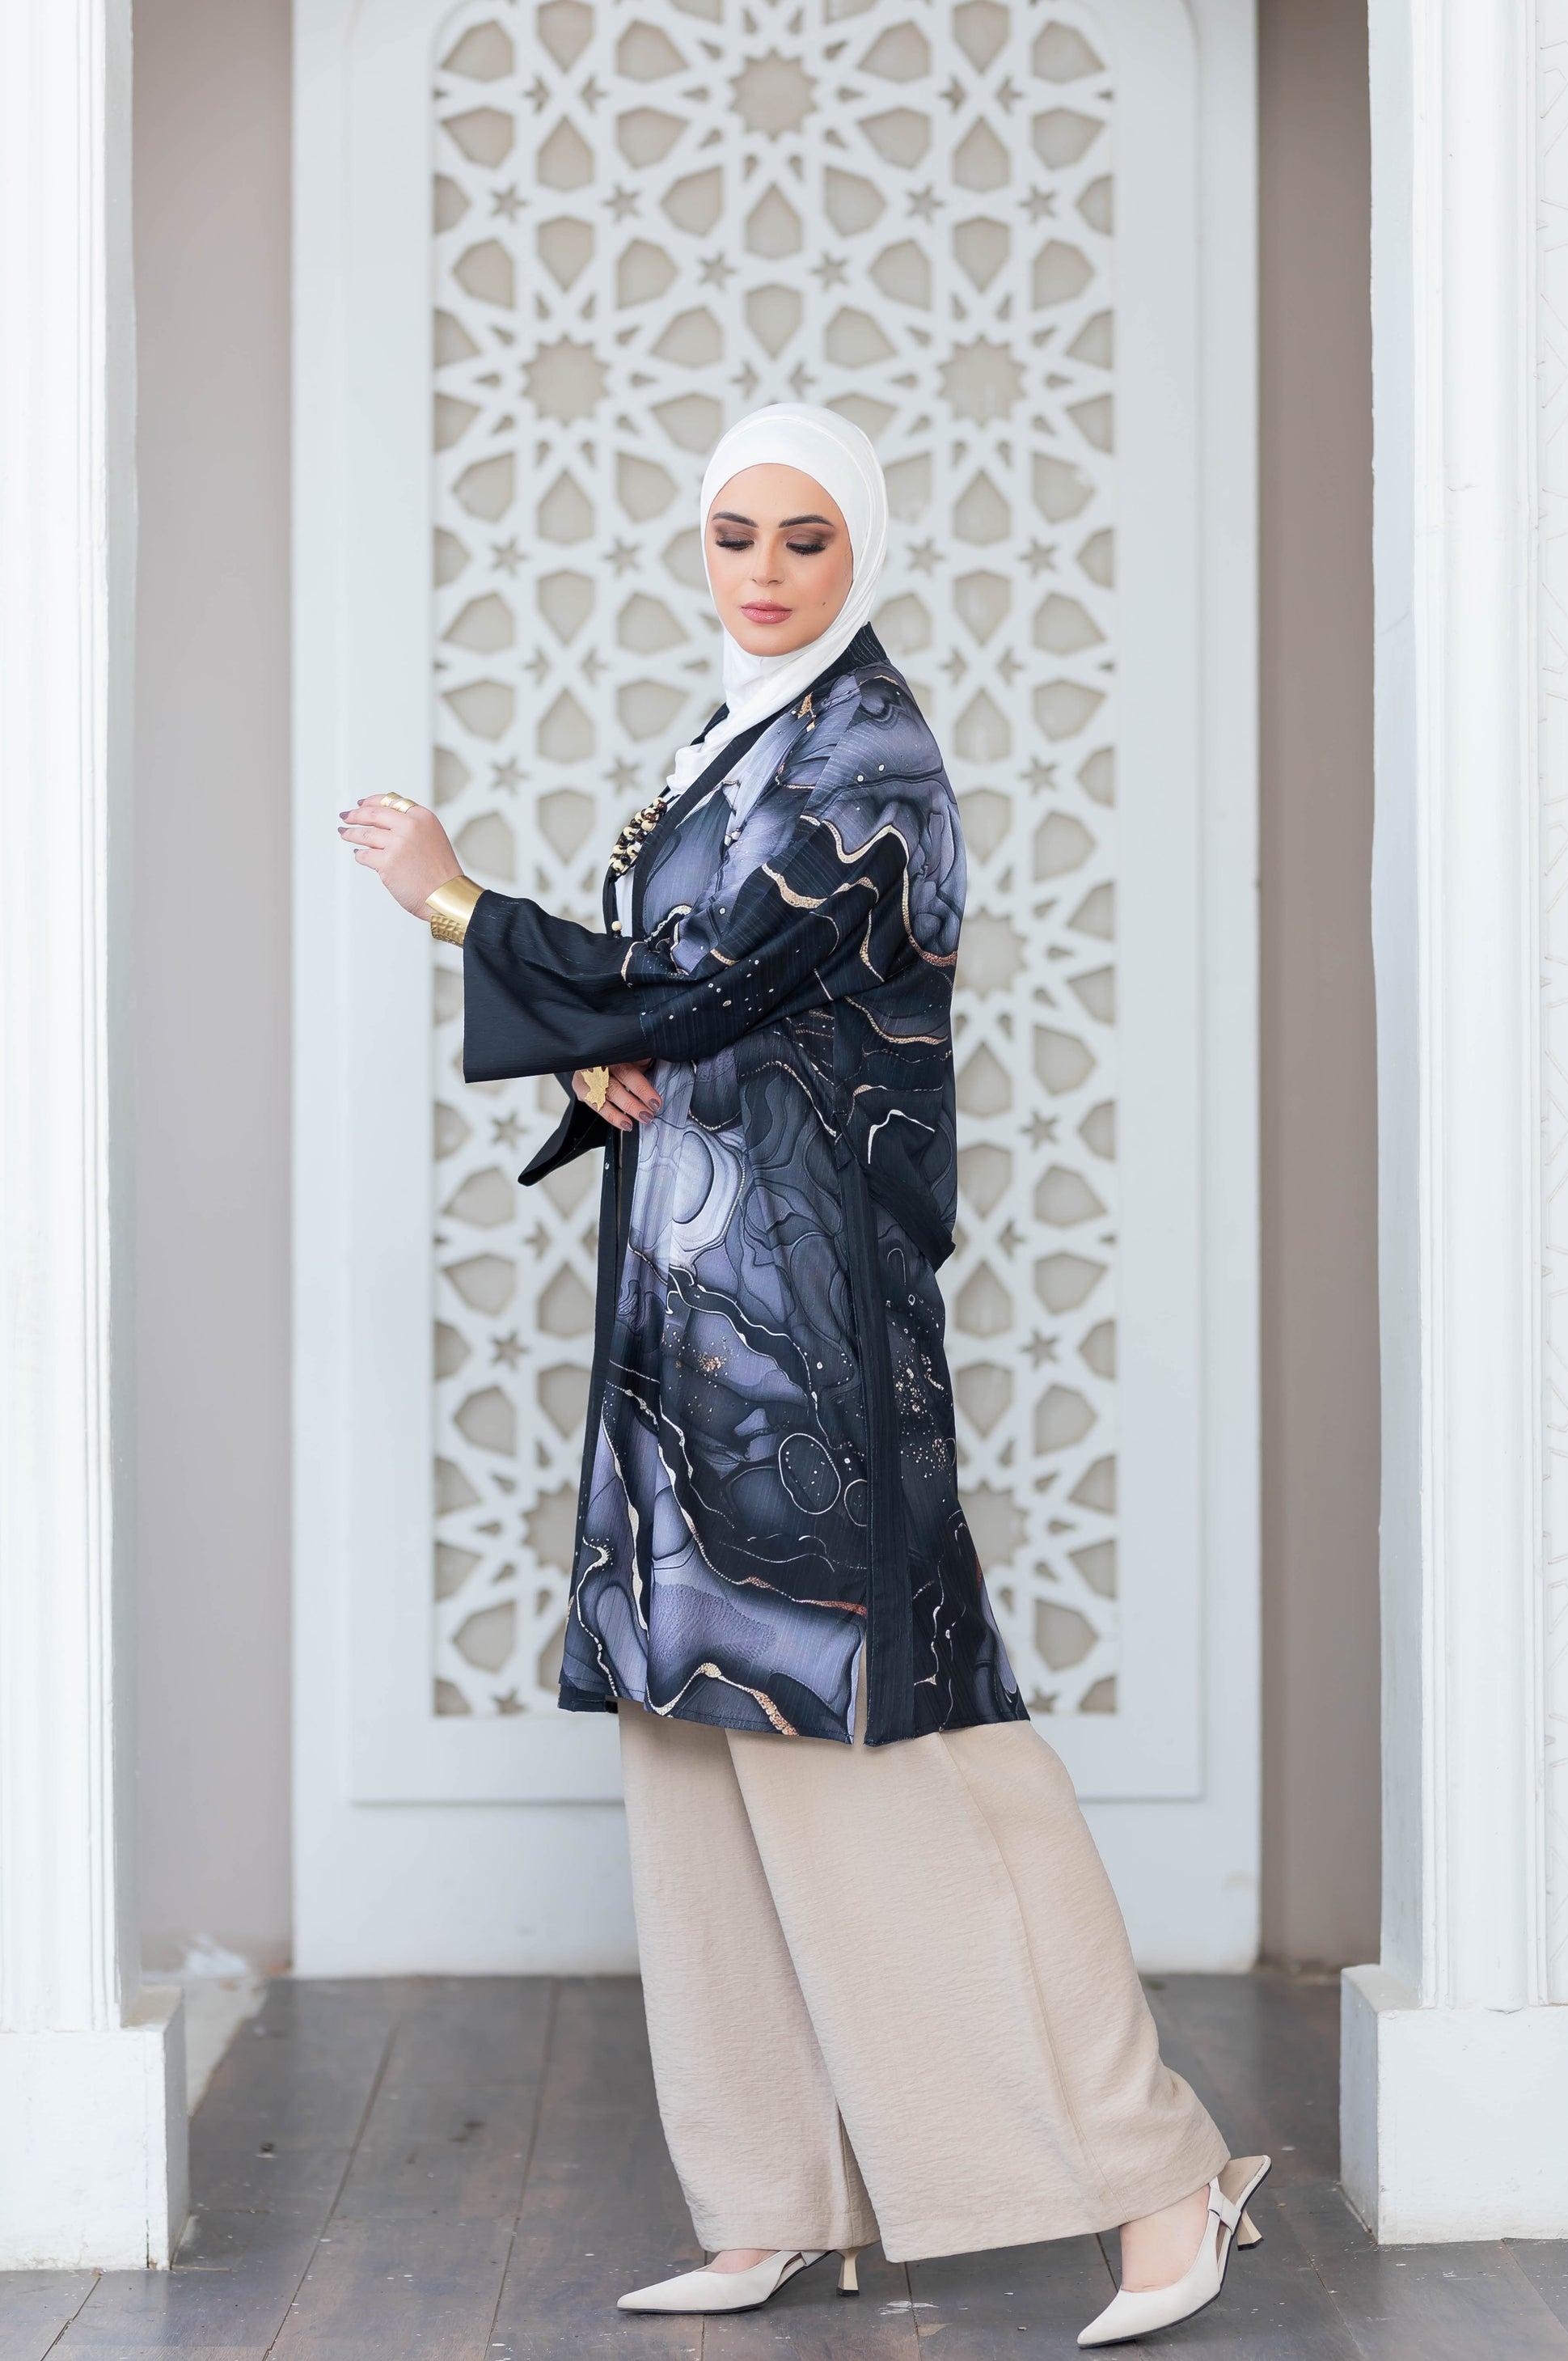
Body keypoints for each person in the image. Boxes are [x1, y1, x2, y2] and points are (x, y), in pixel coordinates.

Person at [339, 404, 1269, 2347]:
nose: (761, 570)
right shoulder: (738, 735)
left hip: (801, 1327)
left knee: (903, 1754)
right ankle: (772, 2193)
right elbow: (686, 989)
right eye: (735, 535)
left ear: (864, 555)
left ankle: (1157, 2171)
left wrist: (451, 899)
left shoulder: (867, 754)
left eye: (805, 540)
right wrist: (616, 1055)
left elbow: (711, 983)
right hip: (694, 1311)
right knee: (696, 1740)